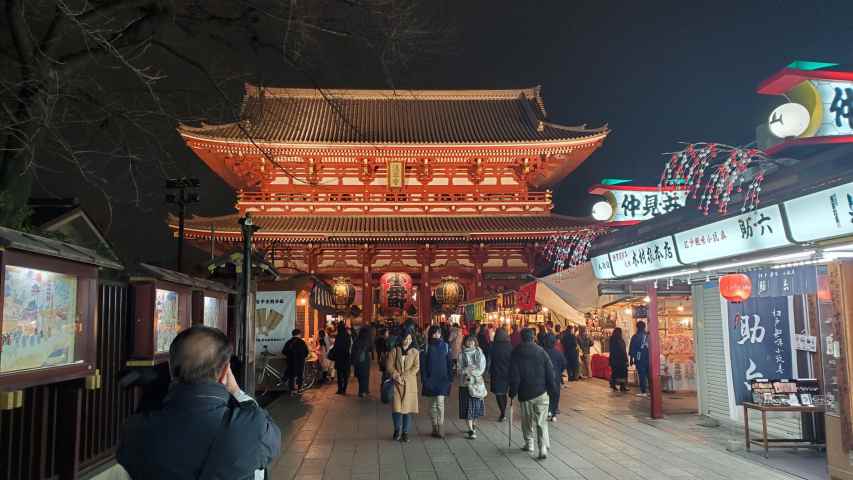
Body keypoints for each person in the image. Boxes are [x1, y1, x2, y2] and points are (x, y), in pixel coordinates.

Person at [117, 326, 281, 478]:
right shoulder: (253, 428)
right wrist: (237, 392)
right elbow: (272, 441)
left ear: (170, 368)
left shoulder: (134, 431)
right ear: (225, 371)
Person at [509, 328, 556, 460]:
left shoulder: (516, 352)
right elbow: (550, 372)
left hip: (525, 393)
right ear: (533, 337)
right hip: (541, 392)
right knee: (541, 421)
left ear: (521, 338)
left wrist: (512, 392)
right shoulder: (541, 352)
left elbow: (514, 376)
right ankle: (542, 447)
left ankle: (529, 443)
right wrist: (551, 389)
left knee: (527, 420)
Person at [387, 331, 420, 442]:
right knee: (396, 409)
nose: (407, 341)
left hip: (410, 384)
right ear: (401, 339)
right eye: (405, 338)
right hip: (397, 384)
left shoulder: (415, 352)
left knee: (407, 410)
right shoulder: (395, 351)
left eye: (410, 339)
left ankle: (405, 432)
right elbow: (389, 366)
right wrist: (397, 376)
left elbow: (416, 367)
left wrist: (405, 376)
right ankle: (397, 430)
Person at [421, 325, 453, 438]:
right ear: (431, 334)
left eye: (438, 333)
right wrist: (424, 379)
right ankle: (434, 426)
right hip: (430, 379)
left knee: (440, 403)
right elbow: (423, 365)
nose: (436, 335)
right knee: (432, 406)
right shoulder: (426, 347)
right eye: (434, 333)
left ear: (441, 334)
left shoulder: (445, 346)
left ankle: (441, 427)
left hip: (442, 379)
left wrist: (450, 378)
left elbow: (449, 363)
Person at [458, 334, 487, 439]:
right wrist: (466, 370)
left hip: (477, 384)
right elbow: (459, 369)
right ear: (465, 342)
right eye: (468, 341)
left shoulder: (480, 353)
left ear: (475, 342)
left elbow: (482, 368)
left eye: (472, 341)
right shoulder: (461, 355)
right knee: (467, 408)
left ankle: (473, 424)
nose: (470, 343)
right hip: (465, 385)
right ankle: (470, 430)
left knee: (476, 408)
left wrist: (471, 371)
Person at [489, 327, 513, 422]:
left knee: (499, 394)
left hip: (496, 372)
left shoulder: (493, 346)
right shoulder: (509, 346)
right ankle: (503, 411)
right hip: (507, 373)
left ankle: (502, 412)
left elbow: (491, 359)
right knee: (504, 393)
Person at [541, 334, 564, 421]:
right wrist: (559, 372)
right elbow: (564, 364)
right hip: (556, 377)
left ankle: (547, 411)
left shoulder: (541, 352)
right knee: (555, 395)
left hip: (544, 378)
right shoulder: (558, 353)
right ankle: (553, 412)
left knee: (545, 395)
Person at [282, 328, 309, 395]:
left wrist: (289, 356)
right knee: (300, 375)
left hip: (290, 362)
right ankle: (300, 389)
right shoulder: (302, 342)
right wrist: (302, 357)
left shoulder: (289, 342)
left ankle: (292, 390)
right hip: (300, 362)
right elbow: (306, 352)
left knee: (291, 376)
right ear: (299, 334)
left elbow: (284, 351)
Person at [629, 321, 651, 397]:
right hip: (649, 357)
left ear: (637, 327)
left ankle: (643, 391)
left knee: (642, 375)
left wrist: (631, 359)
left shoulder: (635, 336)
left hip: (639, 357)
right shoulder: (648, 335)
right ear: (644, 327)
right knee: (649, 375)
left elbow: (632, 348)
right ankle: (651, 391)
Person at [351, 327, 373, 397]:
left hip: (358, 361)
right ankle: (365, 390)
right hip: (365, 360)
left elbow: (353, 351)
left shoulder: (357, 340)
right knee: (365, 376)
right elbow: (371, 348)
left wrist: (353, 361)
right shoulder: (368, 340)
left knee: (360, 377)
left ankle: (361, 391)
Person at [331, 328, 352, 395]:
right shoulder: (348, 337)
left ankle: (339, 390)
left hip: (339, 358)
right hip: (346, 358)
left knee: (339, 375)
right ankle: (344, 390)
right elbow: (351, 347)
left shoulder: (338, 337)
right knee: (345, 375)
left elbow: (335, 347)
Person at [609, 327, 630, 392]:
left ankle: (613, 385)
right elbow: (623, 351)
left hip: (614, 360)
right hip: (621, 360)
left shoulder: (612, 340)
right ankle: (622, 386)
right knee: (622, 373)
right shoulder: (620, 340)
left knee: (615, 373)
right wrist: (626, 360)